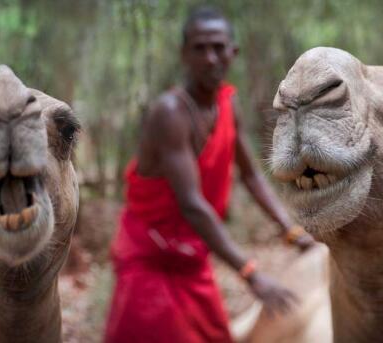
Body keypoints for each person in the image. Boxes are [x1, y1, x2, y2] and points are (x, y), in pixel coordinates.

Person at [104, 6, 314, 343]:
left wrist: (290, 231)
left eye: (218, 47)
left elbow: (251, 176)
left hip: (192, 259)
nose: (210, 58)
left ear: (233, 52)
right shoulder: (170, 113)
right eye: (199, 48)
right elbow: (191, 203)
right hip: (150, 261)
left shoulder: (227, 105)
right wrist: (250, 273)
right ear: (183, 54)